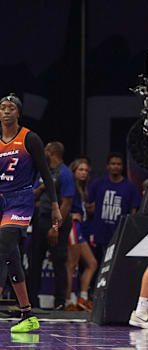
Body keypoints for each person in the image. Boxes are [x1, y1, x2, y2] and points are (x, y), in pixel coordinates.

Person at [0, 93, 62, 332]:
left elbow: (46, 173)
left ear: (18, 112)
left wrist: (55, 205)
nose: (6, 111)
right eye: (2, 107)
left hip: (20, 200)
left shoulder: (30, 138)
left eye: (10, 108)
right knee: (11, 257)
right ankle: (27, 314)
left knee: (3, 245)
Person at [30, 141, 74, 309]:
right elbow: (33, 194)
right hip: (41, 219)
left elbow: (66, 204)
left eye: (45, 150)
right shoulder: (43, 171)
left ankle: (59, 302)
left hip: (58, 221)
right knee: (35, 261)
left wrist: (55, 228)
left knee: (58, 262)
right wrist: (41, 189)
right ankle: (32, 301)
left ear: (52, 152)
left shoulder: (65, 173)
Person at [86, 152, 141, 258]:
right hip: (99, 233)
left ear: (122, 166)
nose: (115, 166)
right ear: (107, 166)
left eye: (118, 164)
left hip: (119, 233)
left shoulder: (130, 187)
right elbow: (87, 205)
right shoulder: (98, 184)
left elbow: (133, 213)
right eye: (113, 163)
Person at [63, 158, 97, 311]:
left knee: (92, 263)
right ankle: (68, 300)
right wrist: (70, 216)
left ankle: (83, 298)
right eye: (80, 170)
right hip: (72, 227)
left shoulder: (82, 188)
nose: (84, 173)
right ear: (74, 171)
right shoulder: (70, 186)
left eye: (86, 170)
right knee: (72, 264)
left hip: (80, 227)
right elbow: (63, 203)